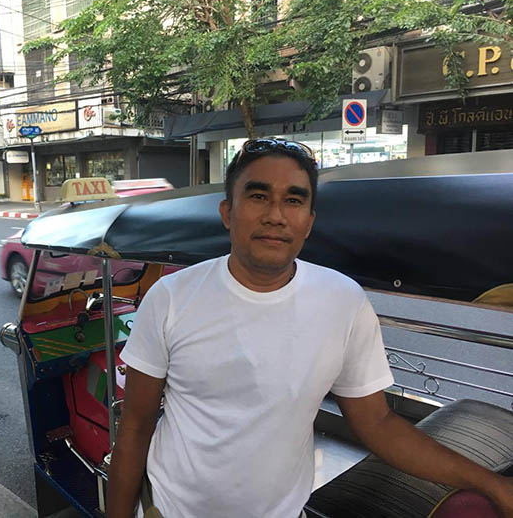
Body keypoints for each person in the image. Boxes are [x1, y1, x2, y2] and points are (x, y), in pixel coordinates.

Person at [108, 138, 513, 518]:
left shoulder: (343, 301)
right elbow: (137, 425)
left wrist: (490, 484)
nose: (275, 215)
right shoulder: (171, 298)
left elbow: (377, 423)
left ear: (309, 221)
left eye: (293, 200)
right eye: (258, 195)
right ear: (227, 212)